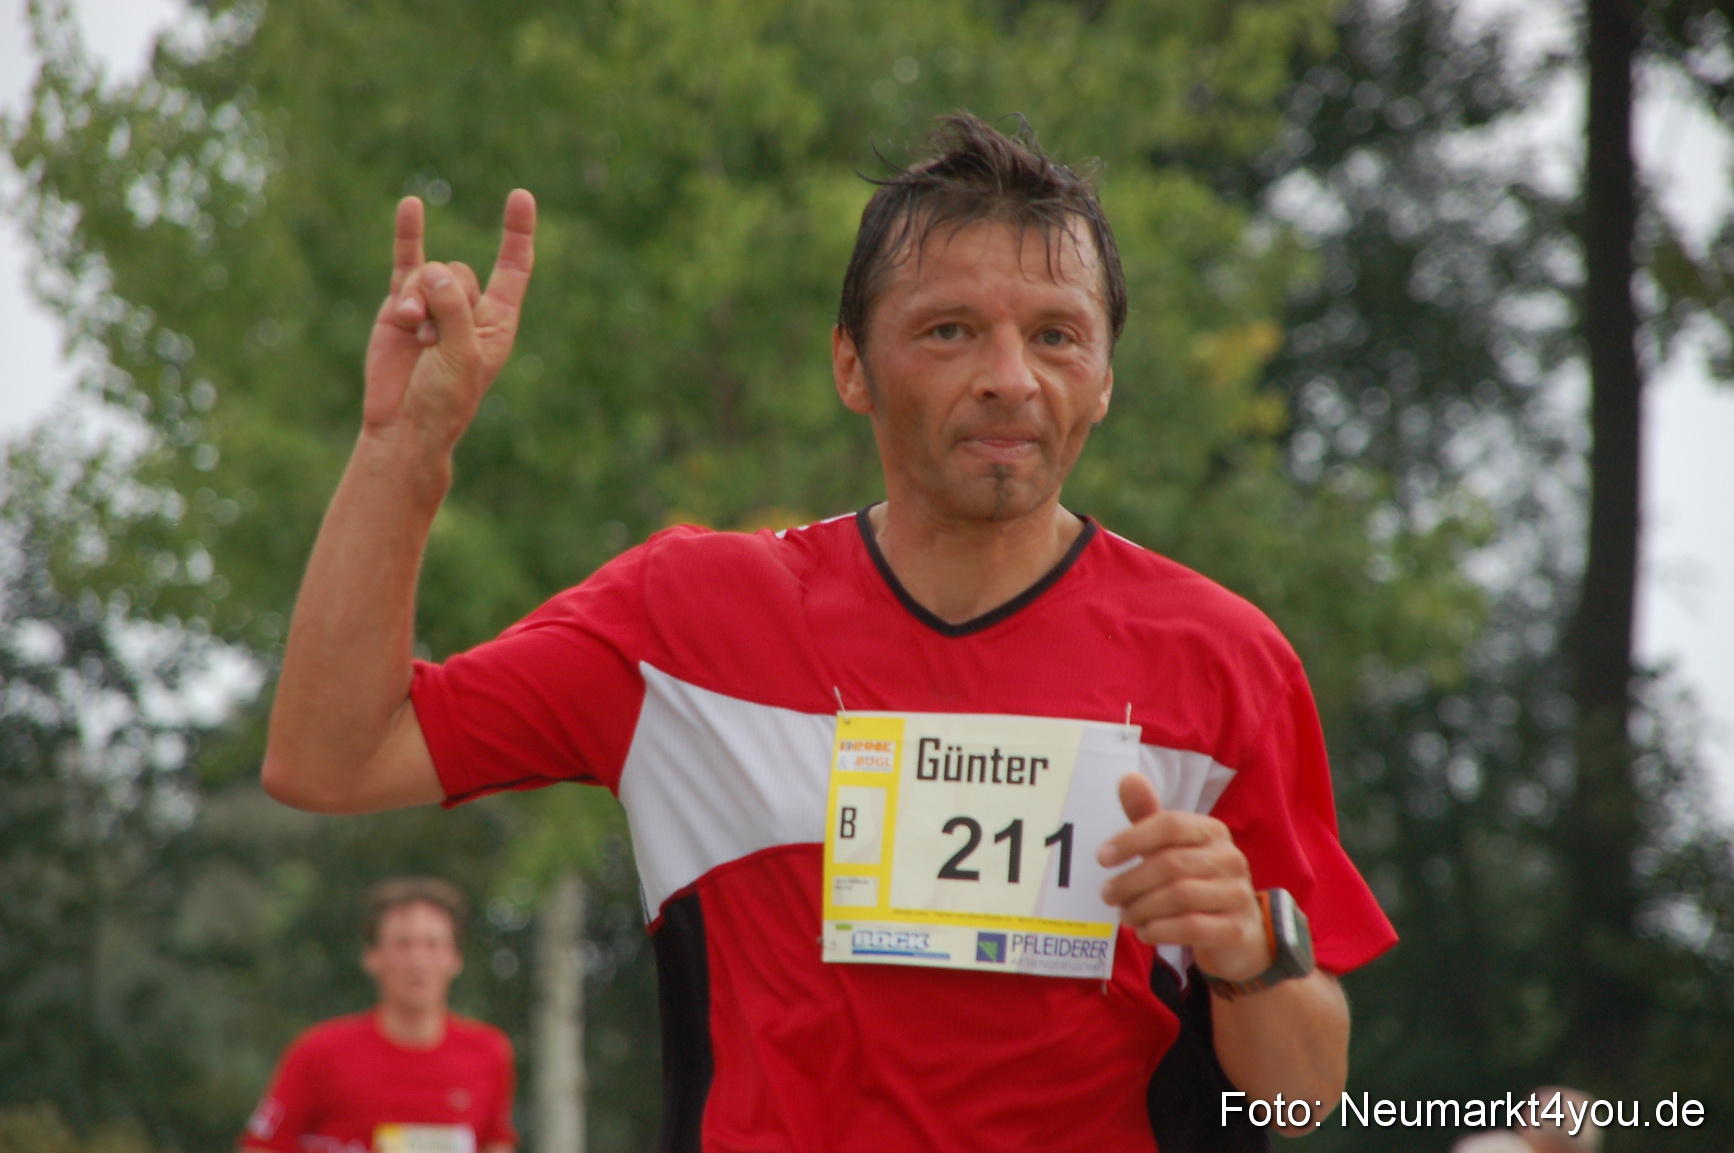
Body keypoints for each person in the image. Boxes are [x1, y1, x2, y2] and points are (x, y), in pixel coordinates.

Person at [261, 112, 1396, 1151]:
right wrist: (405, 448)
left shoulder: (1225, 659)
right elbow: (333, 754)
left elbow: (1301, 1095)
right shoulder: (685, 617)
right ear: (850, 364)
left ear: (1103, 381)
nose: (1011, 379)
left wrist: (1250, 953)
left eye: (1057, 336)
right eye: (949, 330)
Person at [239, 878, 516, 1153]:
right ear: (372, 956)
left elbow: (496, 1141)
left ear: (455, 958)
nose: (418, 960)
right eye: (402, 944)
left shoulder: (488, 1052)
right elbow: (261, 1146)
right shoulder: (318, 1053)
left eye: (432, 944)